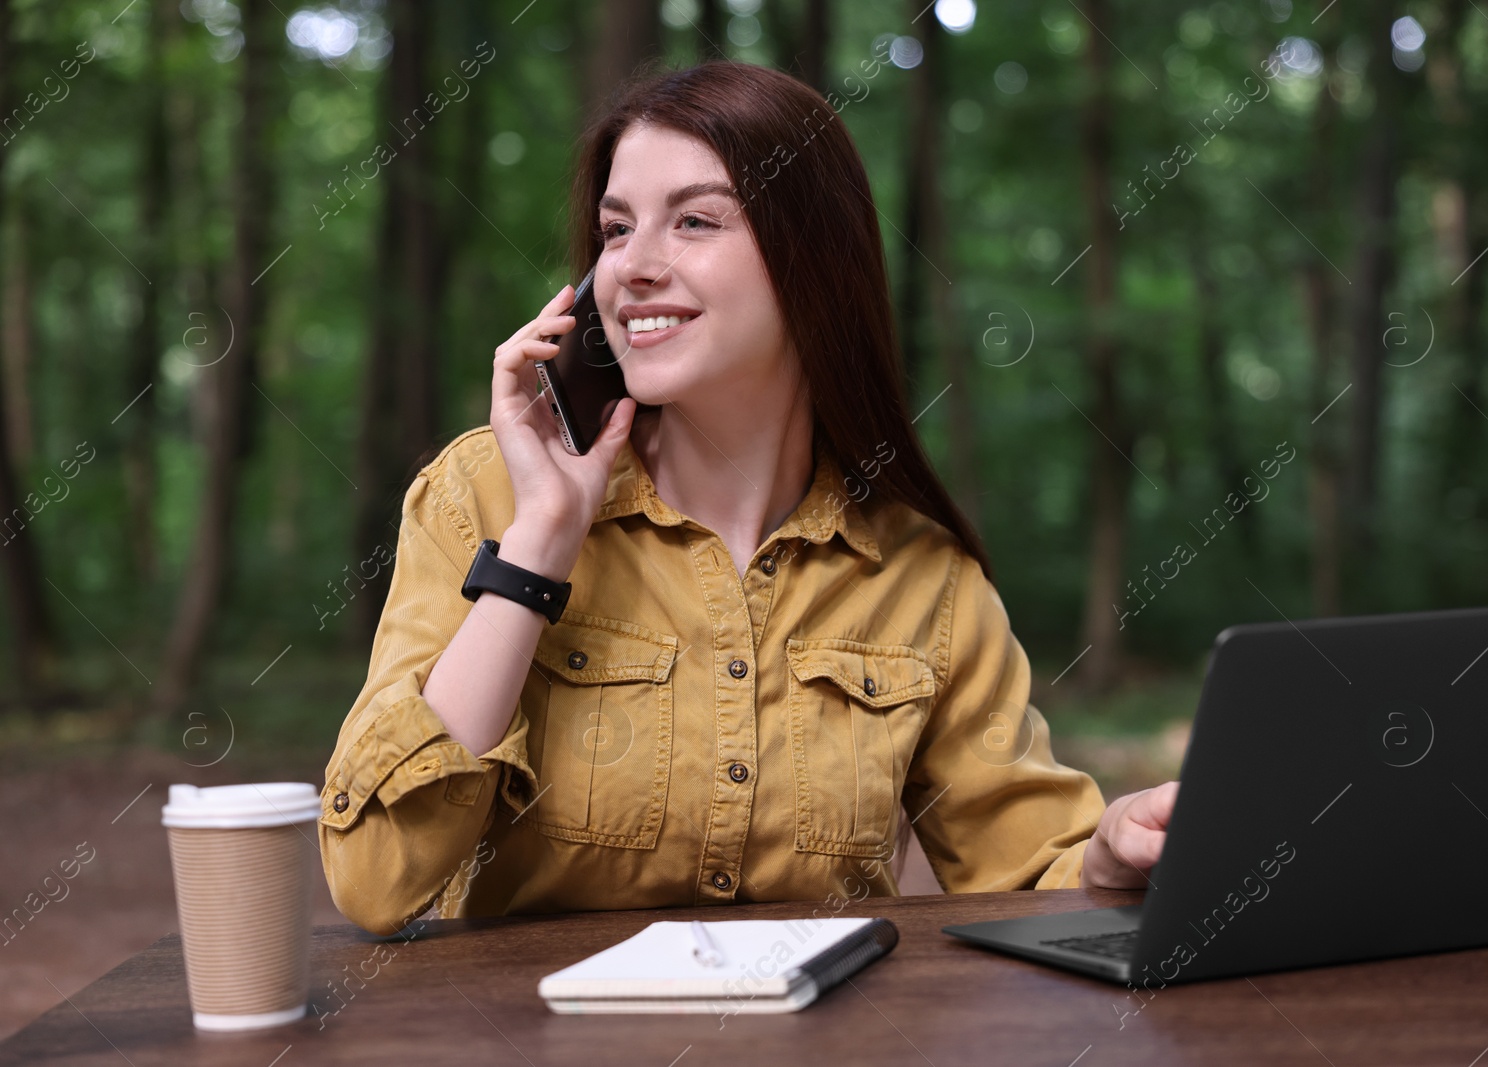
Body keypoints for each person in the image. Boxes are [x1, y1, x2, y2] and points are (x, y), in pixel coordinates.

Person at [318, 60, 1175, 937]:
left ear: (816, 256)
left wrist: (1108, 852)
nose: (633, 268)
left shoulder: (923, 573)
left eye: (694, 220)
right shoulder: (484, 493)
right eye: (616, 231)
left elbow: (1029, 871)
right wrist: (540, 540)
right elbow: (378, 880)